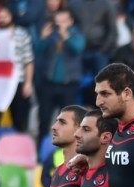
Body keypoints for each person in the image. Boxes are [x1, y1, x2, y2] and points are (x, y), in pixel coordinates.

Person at [33, 9, 85, 146]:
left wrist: (65, 36)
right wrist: (43, 38)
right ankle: (40, 149)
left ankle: (66, 149)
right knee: (44, 119)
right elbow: (38, 50)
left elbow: (78, 48)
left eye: (63, 21)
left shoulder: (77, 35)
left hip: (69, 85)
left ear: (70, 21)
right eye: (58, 21)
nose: (60, 24)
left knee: (68, 121)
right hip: (49, 83)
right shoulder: (51, 35)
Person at [0, 6, 34, 134]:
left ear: (11, 17)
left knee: (19, 119)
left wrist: (28, 83)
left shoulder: (22, 34)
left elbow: (28, 61)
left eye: (5, 16)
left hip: (18, 81)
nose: (2, 19)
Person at [71, 0, 117, 74]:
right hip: (79, 51)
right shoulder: (74, 4)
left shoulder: (106, 4)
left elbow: (112, 31)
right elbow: (70, 25)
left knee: (101, 79)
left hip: (99, 51)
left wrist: (103, 50)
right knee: (76, 79)